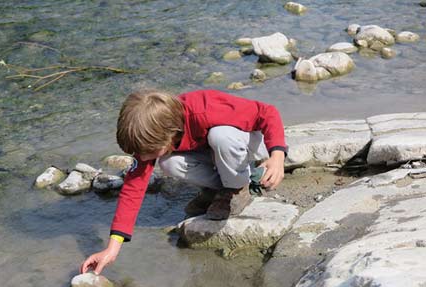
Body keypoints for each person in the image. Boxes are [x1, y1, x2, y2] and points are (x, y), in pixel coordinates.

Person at [80, 89, 288, 275]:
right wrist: (111, 249)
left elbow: (267, 112)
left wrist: (277, 156)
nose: (143, 158)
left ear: (171, 133)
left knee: (221, 136)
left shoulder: (205, 109)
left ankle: (236, 189)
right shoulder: (153, 135)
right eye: (139, 154)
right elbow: (133, 189)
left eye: (148, 152)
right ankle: (219, 187)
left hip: (247, 144)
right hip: (214, 154)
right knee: (169, 162)